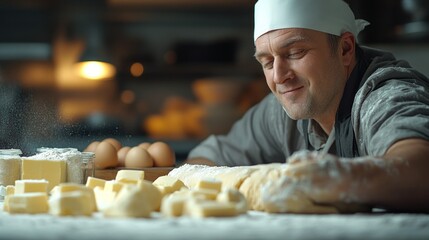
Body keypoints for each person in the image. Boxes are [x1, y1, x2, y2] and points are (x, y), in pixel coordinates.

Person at [183, 0, 429, 213]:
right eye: (267, 62)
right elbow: (204, 161)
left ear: (345, 49)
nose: (279, 76)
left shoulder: (384, 95)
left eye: (295, 52)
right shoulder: (281, 111)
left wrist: (334, 179)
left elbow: (421, 169)